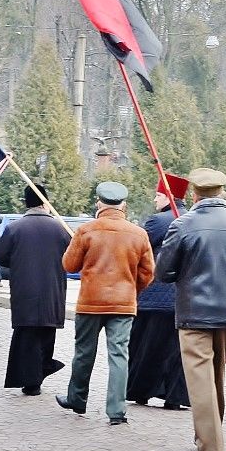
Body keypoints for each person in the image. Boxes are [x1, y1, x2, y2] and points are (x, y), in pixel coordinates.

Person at [155, 168, 226, 451]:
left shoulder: (183, 225)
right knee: (215, 379)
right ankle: (210, 437)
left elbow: (164, 272)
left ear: (194, 194)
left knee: (201, 382)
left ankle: (210, 449)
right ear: (222, 193)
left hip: (194, 313)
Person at [56, 182, 155, 425]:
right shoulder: (138, 234)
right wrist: (132, 289)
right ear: (124, 205)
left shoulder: (87, 230)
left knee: (84, 353)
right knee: (119, 355)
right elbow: (148, 272)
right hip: (123, 304)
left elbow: (69, 265)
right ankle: (117, 411)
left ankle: (77, 399)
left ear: (99, 203)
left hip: (91, 302)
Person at [0, 184, 72, 396]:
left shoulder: (14, 228)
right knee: (46, 335)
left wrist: (20, 263)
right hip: (52, 292)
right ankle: (38, 374)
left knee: (26, 336)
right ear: (44, 202)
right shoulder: (60, 229)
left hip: (24, 290)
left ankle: (31, 380)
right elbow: (72, 259)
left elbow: (1, 257)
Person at [126, 173, 191, 410]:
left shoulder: (157, 222)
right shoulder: (192, 219)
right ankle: (175, 398)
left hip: (154, 295)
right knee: (177, 352)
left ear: (168, 196)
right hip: (185, 299)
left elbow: (137, 249)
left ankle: (140, 392)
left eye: (158, 195)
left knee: (146, 347)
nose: (155, 200)